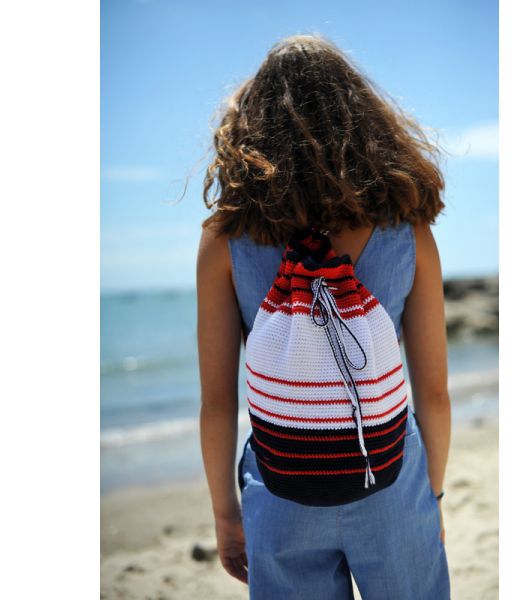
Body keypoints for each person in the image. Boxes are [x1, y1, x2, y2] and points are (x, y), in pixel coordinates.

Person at [196, 33, 452, 599]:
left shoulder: (224, 241)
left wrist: (226, 513)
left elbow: (217, 402)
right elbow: (433, 393)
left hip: (281, 489)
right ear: (364, 121)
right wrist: (428, 495)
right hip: (390, 479)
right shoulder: (408, 233)